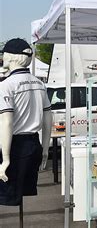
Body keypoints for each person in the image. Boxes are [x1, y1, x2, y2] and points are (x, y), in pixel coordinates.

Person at [0, 38, 52, 206]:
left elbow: (6, 122)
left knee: (9, 193)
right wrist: (44, 148)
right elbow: (47, 118)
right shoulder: (39, 83)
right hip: (33, 144)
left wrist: (5, 158)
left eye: (4, 55)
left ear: (11, 57)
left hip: (14, 146)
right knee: (22, 190)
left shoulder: (6, 85)